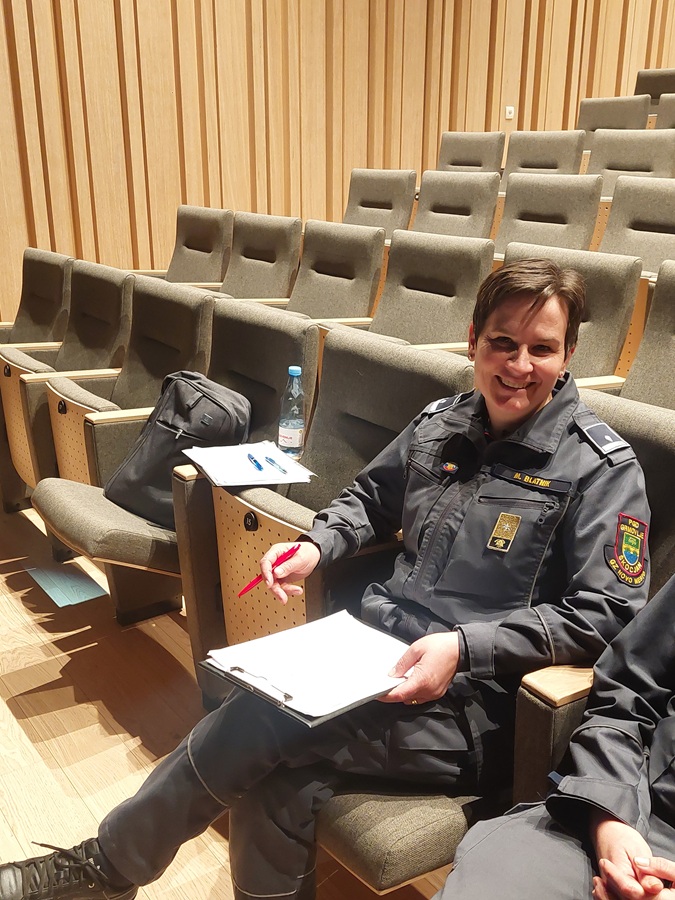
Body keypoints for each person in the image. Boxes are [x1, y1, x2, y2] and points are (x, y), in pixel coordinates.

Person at [0, 260, 651, 900]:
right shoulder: (440, 422)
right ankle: (110, 871)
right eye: (502, 343)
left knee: (259, 717)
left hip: (480, 706)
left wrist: (463, 648)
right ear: (473, 340)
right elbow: (369, 497)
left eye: (541, 349)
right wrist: (317, 545)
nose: (519, 365)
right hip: (376, 659)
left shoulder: (601, 468)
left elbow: (608, 612)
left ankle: (105, 869)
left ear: (568, 354)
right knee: (276, 786)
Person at [432, 571, 675, 900]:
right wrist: (610, 815)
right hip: (623, 801)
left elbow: (605, 609)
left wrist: (467, 647)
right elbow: (629, 688)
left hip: (486, 693)